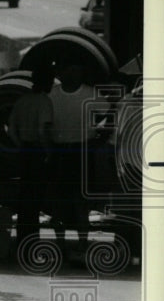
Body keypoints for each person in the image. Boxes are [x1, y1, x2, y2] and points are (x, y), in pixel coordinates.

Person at [48, 62, 105, 256]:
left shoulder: (90, 94)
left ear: (81, 73)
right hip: (59, 152)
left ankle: (83, 243)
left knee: (80, 201)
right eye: (68, 70)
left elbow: (109, 116)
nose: (72, 74)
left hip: (82, 152)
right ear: (61, 73)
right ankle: (60, 243)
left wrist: (99, 138)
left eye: (76, 70)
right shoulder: (52, 94)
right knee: (59, 201)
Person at [8, 66, 56, 245]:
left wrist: (21, 145)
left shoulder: (22, 100)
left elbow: (11, 129)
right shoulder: (44, 101)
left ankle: (22, 238)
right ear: (47, 82)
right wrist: (49, 152)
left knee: (25, 196)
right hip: (38, 152)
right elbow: (43, 130)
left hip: (25, 151)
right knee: (36, 199)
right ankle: (32, 240)